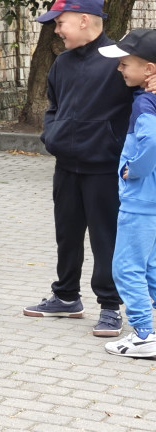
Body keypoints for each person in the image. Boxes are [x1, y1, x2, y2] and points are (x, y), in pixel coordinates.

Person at [23, 0, 132, 337]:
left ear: (85, 20)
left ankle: (111, 306)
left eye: (61, 22)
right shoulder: (62, 62)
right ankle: (66, 297)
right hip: (66, 166)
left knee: (106, 239)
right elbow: (53, 106)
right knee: (67, 235)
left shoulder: (120, 60)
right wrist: (50, 134)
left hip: (104, 168)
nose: (56, 29)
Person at [99, 29, 156, 357]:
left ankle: (144, 334)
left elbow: (151, 144)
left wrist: (133, 169)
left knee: (126, 267)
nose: (120, 69)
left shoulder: (145, 103)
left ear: (149, 69)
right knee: (150, 267)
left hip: (140, 200)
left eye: (125, 64)